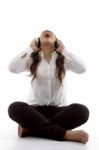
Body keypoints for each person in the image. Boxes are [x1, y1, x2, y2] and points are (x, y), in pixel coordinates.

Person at [8, 30, 89, 144]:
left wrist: (64, 50)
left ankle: (31, 130)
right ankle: (65, 134)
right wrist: (29, 49)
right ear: (38, 42)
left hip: (59, 111)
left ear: (57, 42)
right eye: (43, 33)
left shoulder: (64, 58)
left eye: (50, 33)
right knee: (14, 108)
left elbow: (83, 69)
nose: (47, 31)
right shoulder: (31, 58)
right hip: (35, 111)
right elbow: (12, 68)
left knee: (82, 111)